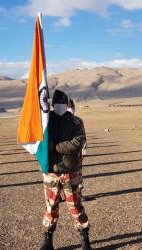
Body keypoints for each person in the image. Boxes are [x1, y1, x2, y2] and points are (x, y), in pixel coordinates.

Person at [40, 90, 91, 250]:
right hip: (52, 172)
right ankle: (48, 242)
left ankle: (85, 241)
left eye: (62, 104)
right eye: (57, 104)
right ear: (53, 105)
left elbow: (77, 143)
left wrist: (55, 146)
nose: (60, 107)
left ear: (66, 104)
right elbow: (39, 141)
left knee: (76, 207)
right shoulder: (46, 122)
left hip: (71, 172)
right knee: (50, 207)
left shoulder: (76, 122)